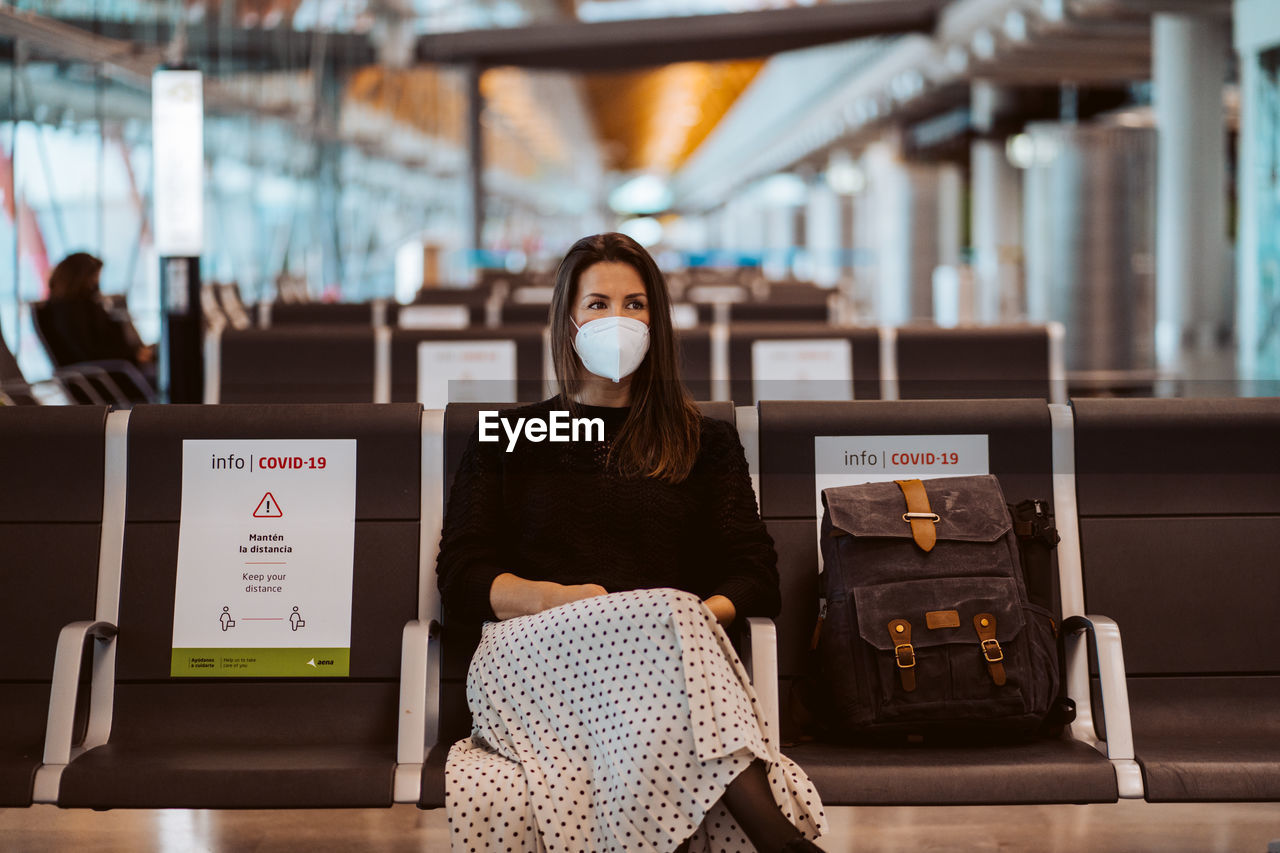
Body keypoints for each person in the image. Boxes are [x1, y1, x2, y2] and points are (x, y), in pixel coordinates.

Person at [436, 233, 827, 853]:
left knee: (666, 612)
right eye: (597, 304)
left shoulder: (707, 441)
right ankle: (778, 840)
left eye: (635, 304)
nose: (617, 319)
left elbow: (756, 577)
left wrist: (672, 627)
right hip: (535, 661)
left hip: (670, 669)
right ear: (568, 322)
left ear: (657, 321)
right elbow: (461, 578)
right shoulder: (507, 436)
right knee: (663, 613)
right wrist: (560, 600)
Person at [42, 252, 155, 369]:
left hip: (119, 365)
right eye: (94, 278)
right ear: (81, 278)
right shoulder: (70, 311)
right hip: (111, 372)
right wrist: (133, 356)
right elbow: (90, 352)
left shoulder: (84, 305)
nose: (96, 283)